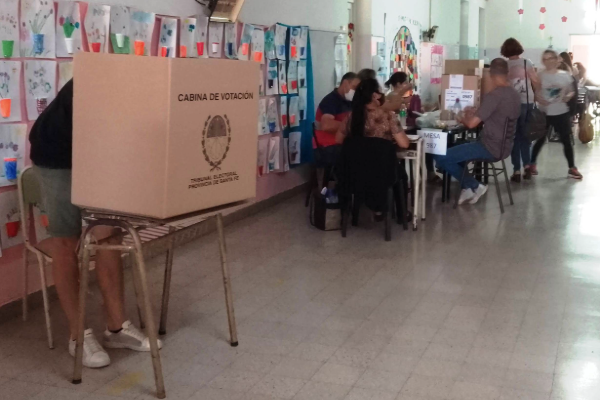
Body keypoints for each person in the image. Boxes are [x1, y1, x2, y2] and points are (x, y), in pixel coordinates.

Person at [29, 80, 162, 369]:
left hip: (97, 151)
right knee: (66, 241)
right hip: (57, 155)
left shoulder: (145, 86)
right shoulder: (103, 80)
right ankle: (78, 336)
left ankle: (116, 328)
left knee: (108, 235)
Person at [435, 59, 521, 205]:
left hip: (489, 147)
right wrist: (477, 111)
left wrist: (459, 117)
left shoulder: (495, 95)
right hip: (505, 146)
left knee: (441, 157)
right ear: (507, 73)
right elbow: (496, 115)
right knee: (458, 149)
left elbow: (471, 124)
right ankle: (467, 187)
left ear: (491, 75)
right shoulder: (513, 94)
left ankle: (475, 185)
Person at [337, 78, 410, 218]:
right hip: (383, 171)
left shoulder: (352, 117)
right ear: (375, 95)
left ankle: (375, 209)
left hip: (356, 171)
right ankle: (402, 213)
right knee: (401, 175)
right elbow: (404, 144)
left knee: (373, 172)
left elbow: (338, 140)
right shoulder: (388, 116)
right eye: (380, 91)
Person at [530, 50, 582, 179]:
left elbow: (571, 91)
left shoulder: (565, 75)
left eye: (550, 58)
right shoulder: (540, 75)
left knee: (566, 140)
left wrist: (568, 96)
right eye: (545, 59)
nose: (548, 62)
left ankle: (572, 168)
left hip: (561, 112)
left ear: (556, 60)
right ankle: (532, 165)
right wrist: (538, 98)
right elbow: (536, 92)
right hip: (545, 112)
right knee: (540, 139)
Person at [501, 38, 540, 182]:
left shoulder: (504, 66)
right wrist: (537, 97)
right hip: (527, 103)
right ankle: (527, 165)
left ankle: (516, 170)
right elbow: (535, 81)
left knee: (514, 137)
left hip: (511, 105)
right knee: (526, 136)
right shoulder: (526, 62)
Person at [313, 72, 360, 166]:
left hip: (342, 143)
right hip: (327, 147)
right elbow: (327, 125)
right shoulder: (330, 101)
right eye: (354, 88)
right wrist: (353, 126)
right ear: (345, 83)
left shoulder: (350, 102)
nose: (356, 92)